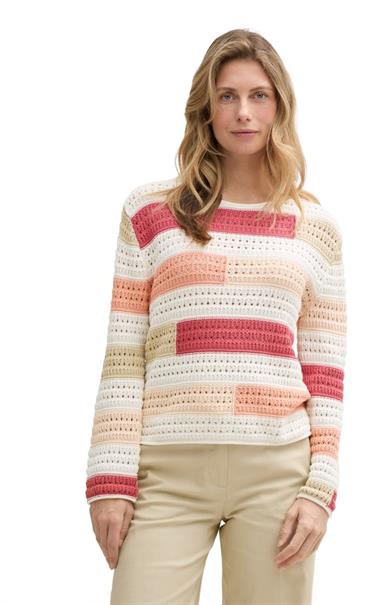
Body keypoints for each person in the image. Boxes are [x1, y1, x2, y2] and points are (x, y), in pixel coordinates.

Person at [85, 28, 347, 605]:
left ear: (279, 106)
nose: (243, 112)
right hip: (166, 472)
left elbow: (325, 371)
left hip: (277, 472)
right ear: (205, 108)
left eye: (258, 96)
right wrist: (108, 477)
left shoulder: (315, 228)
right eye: (227, 96)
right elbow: (124, 355)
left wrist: (321, 488)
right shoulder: (150, 212)